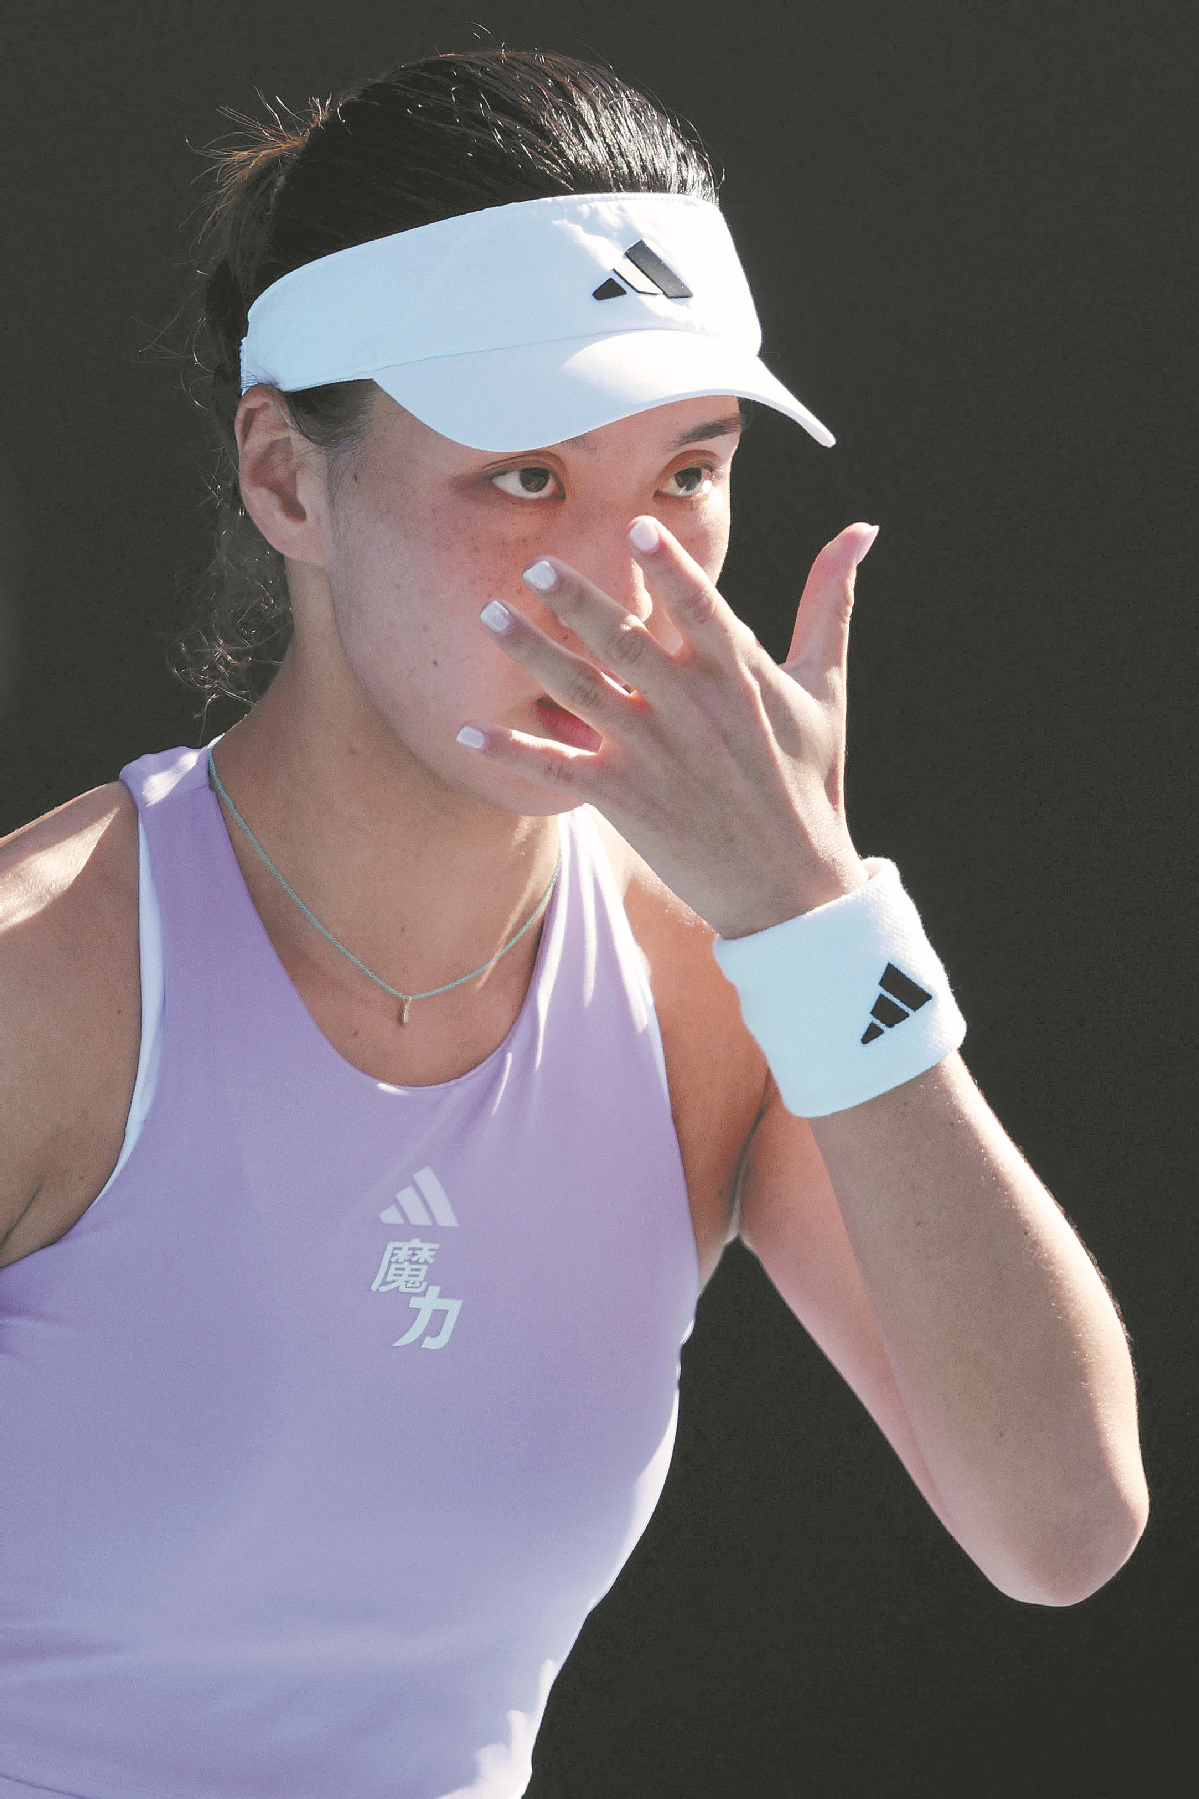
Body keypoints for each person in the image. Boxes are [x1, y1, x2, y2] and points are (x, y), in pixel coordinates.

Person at [0, 46, 1149, 1799]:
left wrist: (818, 918)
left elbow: (1061, 1525)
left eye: (687, 472)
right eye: (526, 479)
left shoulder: (743, 982)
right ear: (288, 479)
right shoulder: (38, 984)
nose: (629, 585)